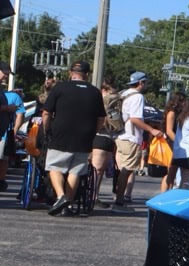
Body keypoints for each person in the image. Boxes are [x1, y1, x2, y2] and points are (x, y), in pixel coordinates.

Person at [40, 60, 106, 215]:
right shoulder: (95, 92)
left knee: (55, 167)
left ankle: (61, 196)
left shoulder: (60, 88)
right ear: (87, 75)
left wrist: (46, 129)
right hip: (84, 136)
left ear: (70, 73)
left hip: (61, 133)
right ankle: (67, 206)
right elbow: (101, 118)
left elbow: (46, 112)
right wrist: (93, 132)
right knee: (75, 171)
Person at [113, 71, 164, 211]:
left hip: (120, 136)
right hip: (131, 137)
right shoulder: (138, 97)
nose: (146, 85)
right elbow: (135, 119)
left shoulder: (124, 94)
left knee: (122, 170)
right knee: (127, 170)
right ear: (141, 83)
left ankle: (117, 198)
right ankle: (119, 202)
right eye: (146, 82)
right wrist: (151, 130)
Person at [90, 79, 120, 205]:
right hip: (99, 136)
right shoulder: (97, 101)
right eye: (110, 92)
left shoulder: (113, 104)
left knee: (100, 169)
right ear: (104, 90)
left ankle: (95, 195)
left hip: (108, 137)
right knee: (97, 168)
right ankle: (92, 195)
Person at [0, 61, 24, 192]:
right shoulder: (11, 95)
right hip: (3, 132)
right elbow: (20, 115)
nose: (6, 76)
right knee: (3, 159)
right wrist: (8, 108)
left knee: (4, 159)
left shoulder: (3, 91)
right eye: (4, 73)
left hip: (3, 131)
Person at [159, 91, 186, 193]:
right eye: (183, 101)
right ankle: (163, 195)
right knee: (169, 173)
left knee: (172, 173)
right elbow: (169, 131)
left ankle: (167, 193)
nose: (185, 104)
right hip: (171, 143)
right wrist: (178, 142)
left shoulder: (178, 113)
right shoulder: (172, 113)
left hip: (174, 143)